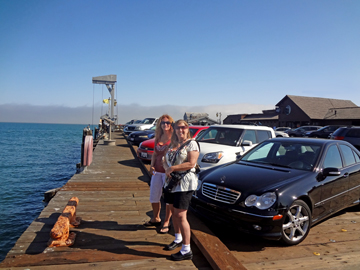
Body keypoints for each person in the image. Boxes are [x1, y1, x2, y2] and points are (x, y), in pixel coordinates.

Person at [162, 119, 200, 261]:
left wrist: (173, 168)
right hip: (171, 183)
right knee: (173, 211)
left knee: (180, 215)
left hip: (184, 184)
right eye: (177, 128)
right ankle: (178, 239)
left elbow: (191, 163)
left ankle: (186, 249)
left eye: (183, 127)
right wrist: (166, 167)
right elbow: (164, 159)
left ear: (187, 128)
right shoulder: (173, 144)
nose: (180, 130)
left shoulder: (192, 144)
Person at [143, 114, 174, 234]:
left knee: (167, 199)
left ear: (171, 124)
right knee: (154, 196)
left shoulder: (174, 138)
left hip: (167, 173)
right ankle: (155, 218)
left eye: (168, 123)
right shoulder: (158, 137)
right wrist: (151, 165)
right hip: (157, 172)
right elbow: (155, 153)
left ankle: (167, 221)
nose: (165, 125)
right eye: (163, 123)